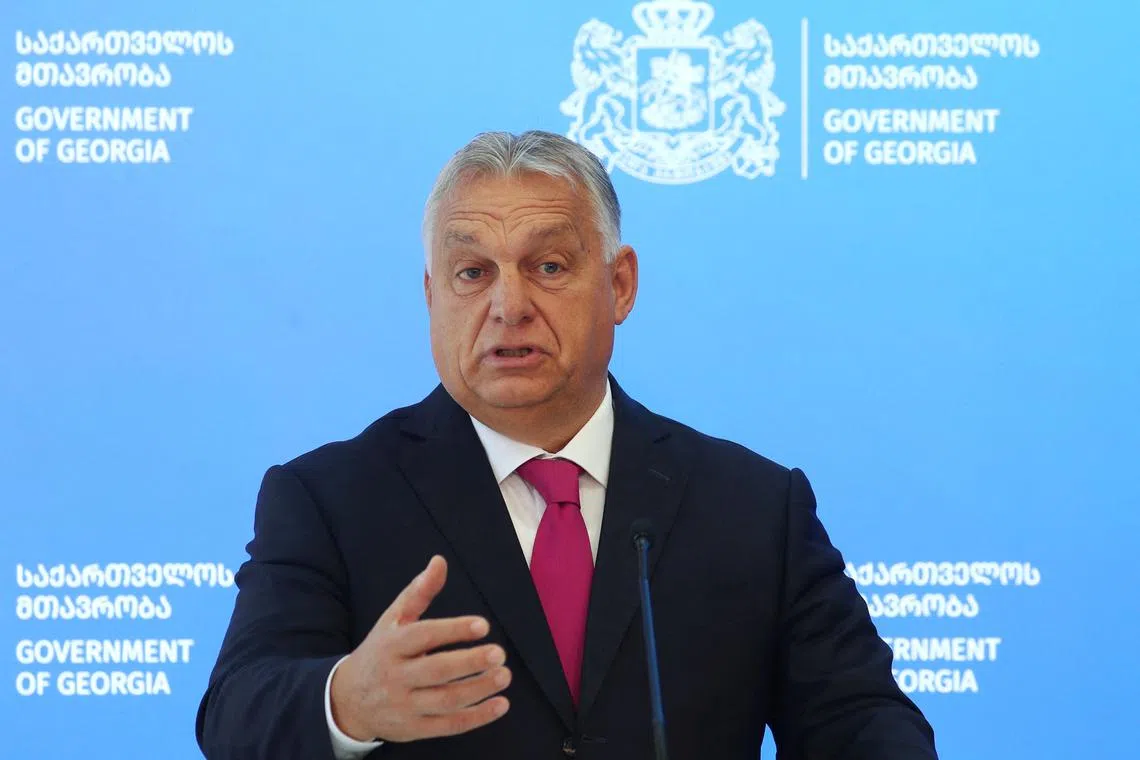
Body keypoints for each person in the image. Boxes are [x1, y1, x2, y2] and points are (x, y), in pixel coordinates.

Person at [195, 130, 938, 759]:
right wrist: (347, 703)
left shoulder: (753, 506)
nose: (507, 306)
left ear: (619, 285)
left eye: (548, 267)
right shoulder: (331, 499)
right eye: (472, 272)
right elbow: (234, 715)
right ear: (432, 296)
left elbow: (862, 721)